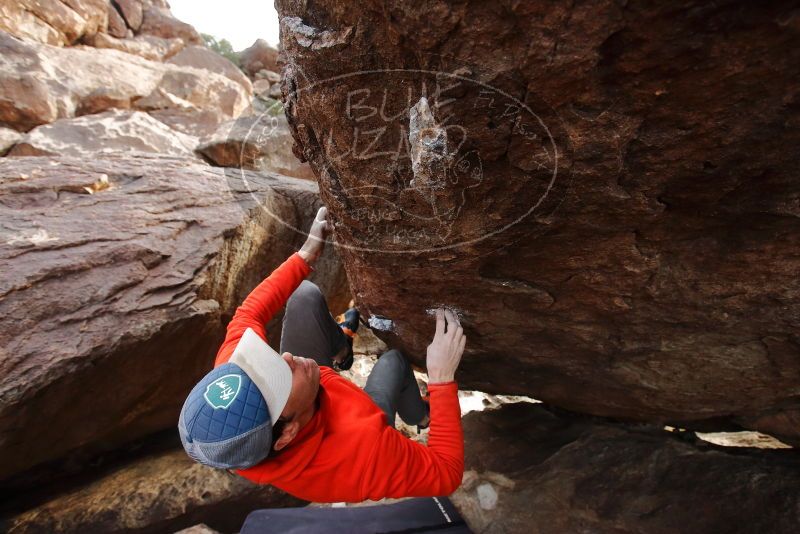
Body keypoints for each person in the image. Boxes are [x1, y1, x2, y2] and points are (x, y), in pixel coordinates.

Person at [178, 207, 466, 502]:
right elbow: (447, 474)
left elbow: (247, 314)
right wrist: (442, 380)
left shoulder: (235, 380)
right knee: (395, 361)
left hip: (316, 393)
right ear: (288, 432)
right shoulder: (364, 454)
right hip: (351, 424)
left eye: (268, 363)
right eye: (279, 378)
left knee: (304, 295)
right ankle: (421, 416)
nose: (286, 356)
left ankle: (342, 349)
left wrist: (305, 255)